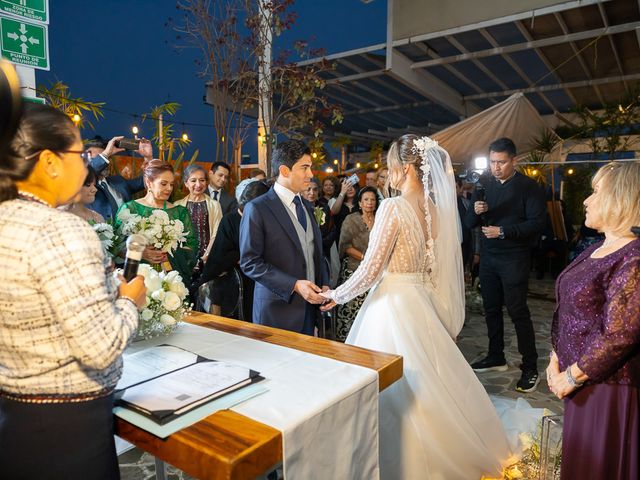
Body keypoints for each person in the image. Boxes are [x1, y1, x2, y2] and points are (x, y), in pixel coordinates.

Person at [320, 135, 510, 479]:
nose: (387, 172)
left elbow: (372, 267)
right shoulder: (437, 211)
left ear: (406, 167)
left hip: (394, 303)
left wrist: (338, 294)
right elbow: (439, 269)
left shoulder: (393, 207)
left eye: (391, 165)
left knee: (391, 388)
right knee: (431, 382)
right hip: (424, 302)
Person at [0, 103, 146, 479]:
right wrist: (130, 300)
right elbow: (99, 348)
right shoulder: (62, 229)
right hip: (69, 425)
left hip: (16, 416)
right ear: (50, 162)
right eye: (79, 153)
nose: (86, 165)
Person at [547, 161, 640, 480]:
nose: (586, 200)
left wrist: (571, 377)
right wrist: (555, 357)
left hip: (608, 387)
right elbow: (571, 309)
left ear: (622, 198)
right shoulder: (598, 248)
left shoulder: (634, 256)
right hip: (583, 381)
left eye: (596, 191)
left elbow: (620, 334)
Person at [465, 137, 546, 393]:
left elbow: (537, 223)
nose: (496, 167)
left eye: (501, 162)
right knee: (491, 309)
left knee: (517, 311)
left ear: (514, 160)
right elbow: (468, 224)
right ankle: (495, 355)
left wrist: (503, 232)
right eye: (492, 162)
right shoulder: (484, 183)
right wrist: (475, 210)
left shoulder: (529, 187)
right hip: (489, 258)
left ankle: (530, 366)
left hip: (514, 257)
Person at [240, 139, 329, 334]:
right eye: (304, 168)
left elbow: (315, 251)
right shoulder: (257, 208)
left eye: (311, 168)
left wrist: (324, 284)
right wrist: (294, 285)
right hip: (276, 312)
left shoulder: (306, 206)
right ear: (285, 170)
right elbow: (250, 262)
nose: (311, 174)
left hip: (310, 310)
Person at [116, 160, 199, 289]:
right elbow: (116, 245)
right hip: (137, 279)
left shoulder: (180, 212)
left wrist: (168, 252)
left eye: (171, 184)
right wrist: (140, 253)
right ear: (149, 183)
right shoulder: (129, 208)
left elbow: (192, 247)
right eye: (164, 184)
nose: (169, 189)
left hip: (170, 280)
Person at [199, 180, 270, 322]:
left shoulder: (266, 220)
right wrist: (244, 256)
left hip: (263, 278)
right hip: (237, 281)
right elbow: (220, 255)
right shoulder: (230, 220)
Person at [335, 186, 378, 341]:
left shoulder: (380, 219)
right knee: (352, 310)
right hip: (354, 270)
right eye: (366, 200)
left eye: (373, 200)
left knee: (371, 310)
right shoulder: (351, 219)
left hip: (375, 271)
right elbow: (345, 246)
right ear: (359, 203)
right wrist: (366, 258)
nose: (369, 203)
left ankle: (367, 340)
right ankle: (347, 340)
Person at [87, 135, 149, 220]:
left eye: (106, 158)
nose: (104, 163)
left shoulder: (118, 181)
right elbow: (87, 172)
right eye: (96, 158)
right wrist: (106, 154)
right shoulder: (83, 187)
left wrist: (148, 157)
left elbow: (147, 180)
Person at [175, 164, 223, 264]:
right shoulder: (177, 205)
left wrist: (206, 257)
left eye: (202, 180)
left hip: (208, 259)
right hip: (184, 260)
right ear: (186, 183)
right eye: (193, 180)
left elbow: (216, 234)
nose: (198, 184)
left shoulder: (214, 205)